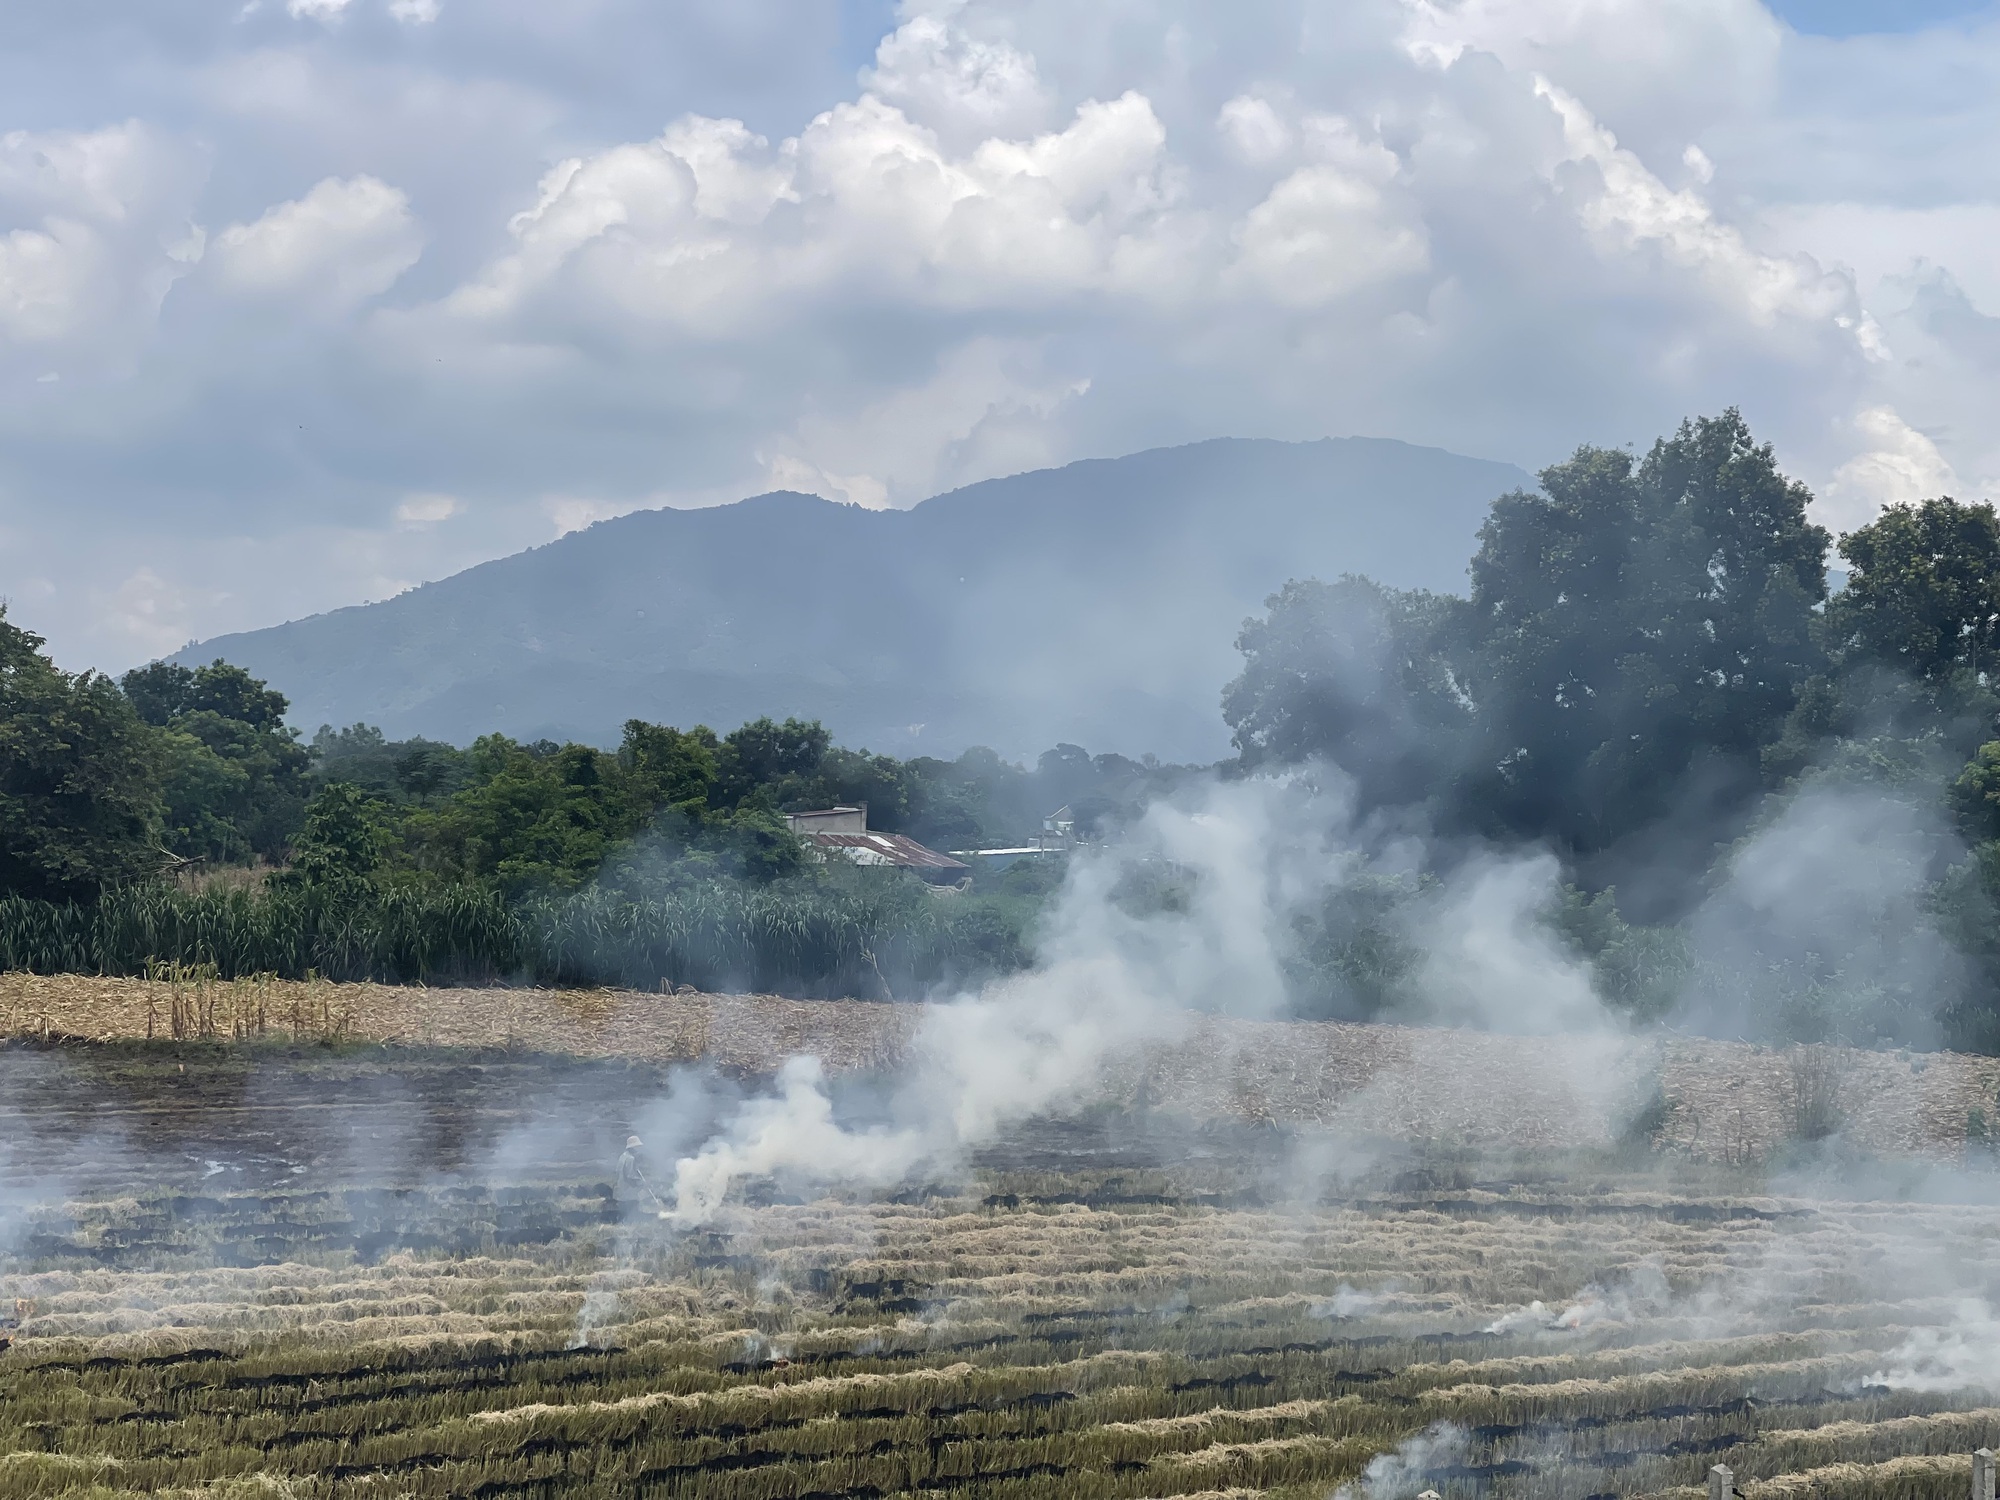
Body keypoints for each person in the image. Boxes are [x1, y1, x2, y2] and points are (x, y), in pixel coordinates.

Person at [616, 1135, 646, 1206]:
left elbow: (617, 1171)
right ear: (633, 1147)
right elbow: (631, 1176)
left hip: (621, 1192)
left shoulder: (622, 1156)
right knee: (631, 1211)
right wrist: (642, 1183)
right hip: (629, 1194)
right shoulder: (631, 1159)